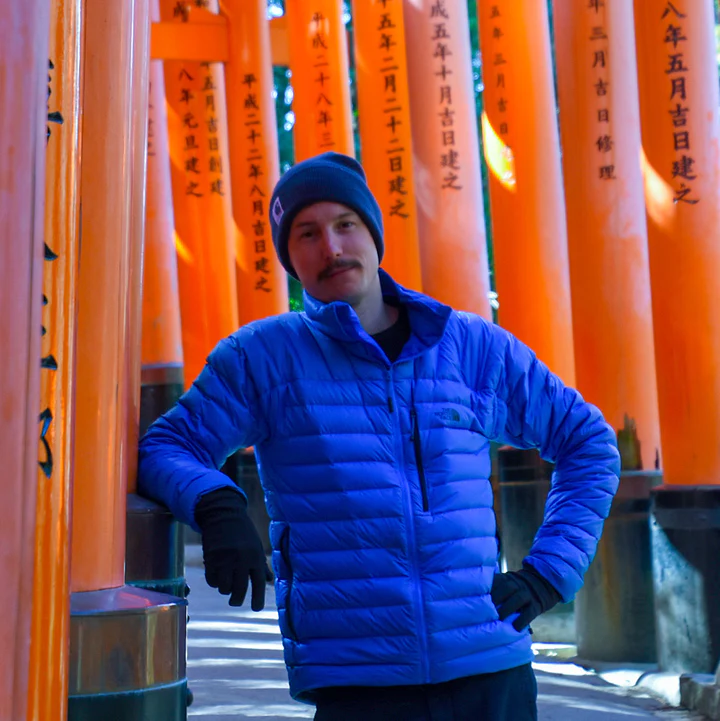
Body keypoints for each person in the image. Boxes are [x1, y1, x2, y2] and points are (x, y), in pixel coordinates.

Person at [138, 152, 620, 721]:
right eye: (307, 234)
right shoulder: (261, 357)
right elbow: (165, 447)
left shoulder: (470, 347)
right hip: (356, 677)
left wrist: (548, 574)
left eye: (346, 224)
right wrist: (216, 505)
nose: (332, 247)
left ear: (372, 233)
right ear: (290, 258)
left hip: (490, 667)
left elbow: (588, 442)